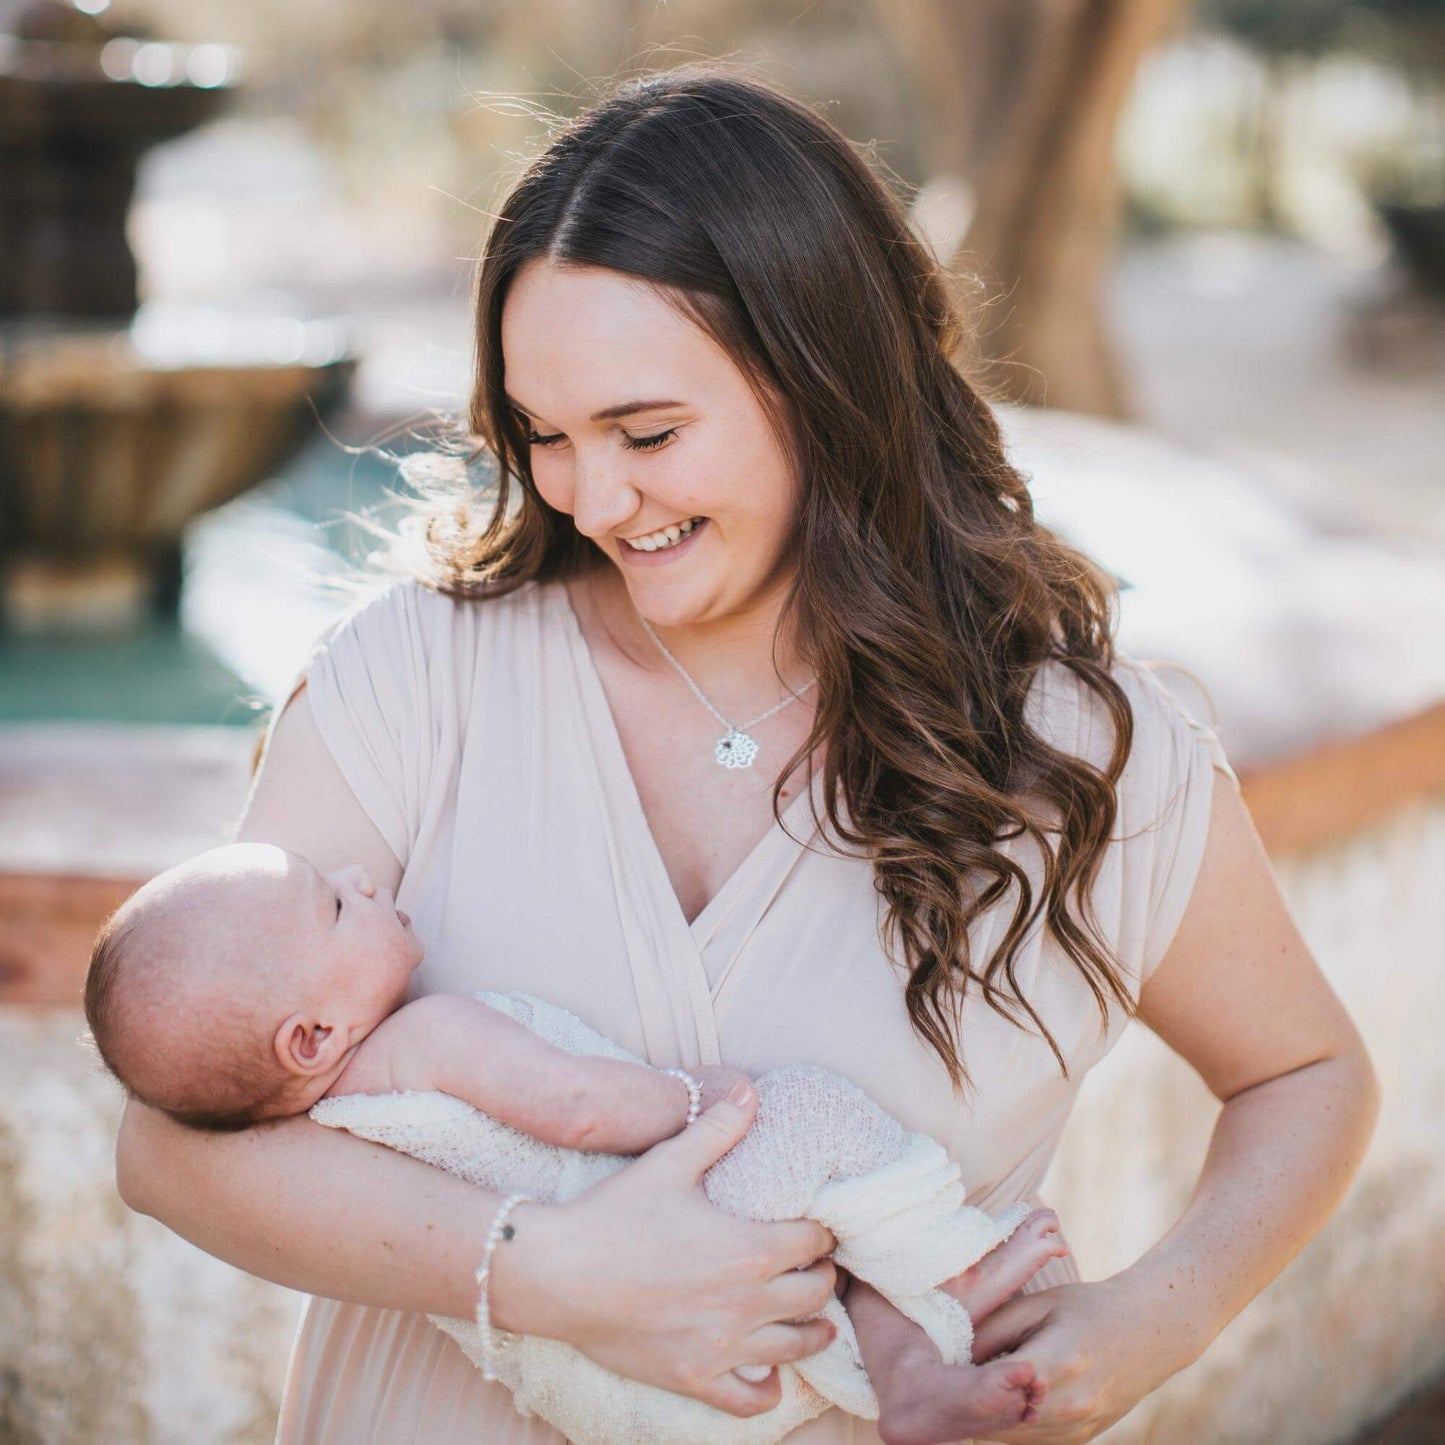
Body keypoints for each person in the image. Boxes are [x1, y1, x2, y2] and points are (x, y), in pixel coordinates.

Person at [113, 65, 1380, 1445]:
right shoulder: (412, 680)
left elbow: (1306, 1076)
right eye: (543, 435)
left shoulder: (1082, 756)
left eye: (646, 432)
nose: (593, 496)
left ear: (824, 381)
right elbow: (173, 1145)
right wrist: (547, 1272)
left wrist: (1153, 1320)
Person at [86, 839, 1065, 1441]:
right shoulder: (424, 1038)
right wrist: (696, 1100)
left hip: (610, 1394)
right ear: (310, 1036)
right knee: (807, 1114)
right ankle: (950, 1262)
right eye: (335, 902)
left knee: (806, 1250)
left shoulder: (311, 1127)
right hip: (672, 1304)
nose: (355, 872)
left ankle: (909, 1363)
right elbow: (582, 1108)